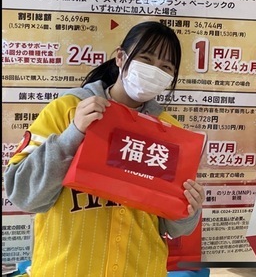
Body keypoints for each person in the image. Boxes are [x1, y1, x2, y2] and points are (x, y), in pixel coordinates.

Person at [4, 21, 205, 277]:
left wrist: (189, 208)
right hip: (66, 269)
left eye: (165, 67)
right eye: (146, 59)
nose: (154, 71)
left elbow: (175, 228)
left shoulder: (171, 132)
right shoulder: (67, 110)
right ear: (120, 57)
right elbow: (22, 192)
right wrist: (73, 134)